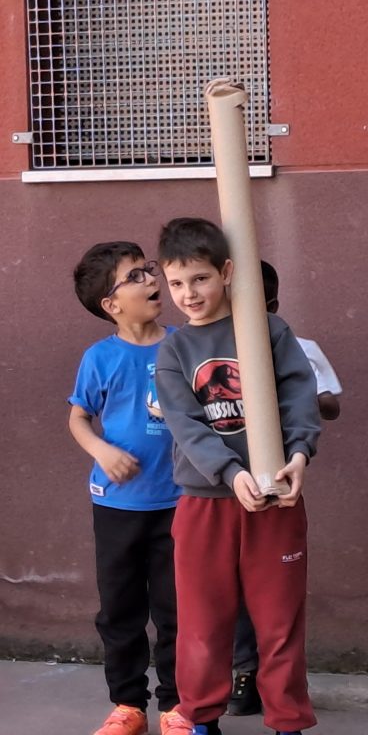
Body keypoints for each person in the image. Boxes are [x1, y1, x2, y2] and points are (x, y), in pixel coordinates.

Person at [154, 218, 320, 735]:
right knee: (202, 621)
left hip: (275, 498)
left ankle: (287, 722)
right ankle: (202, 719)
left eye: (200, 279)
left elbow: (299, 396)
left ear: (226, 272)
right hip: (205, 502)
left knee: (279, 620)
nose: (188, 294)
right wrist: (229, 472)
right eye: (176, 283)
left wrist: (299, 455)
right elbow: (185, 424)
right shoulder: (173, 351)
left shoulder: (270, 330)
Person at [68, 243, 187, 735]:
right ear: (111, 304)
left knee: (177, 608)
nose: (151, 279)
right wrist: (101, 450)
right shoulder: (100, 358)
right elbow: (78, 417)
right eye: (134, 276)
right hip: (117, 505)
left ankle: (177, 706)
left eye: (148, 270)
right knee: (120, 608)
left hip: (180, 500)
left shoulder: (183, 344)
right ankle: (128, 705)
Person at [227, 260, 342, 717]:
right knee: (236, 583)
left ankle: (286, 680)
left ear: (273, 305)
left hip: (280, 482)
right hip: (229, 482)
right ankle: (244, 670)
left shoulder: (298, 346)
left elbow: (330, 406)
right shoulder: (215, 348)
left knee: (278, 585)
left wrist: (292, 390)